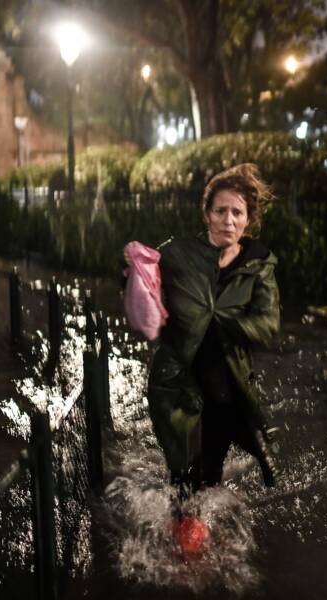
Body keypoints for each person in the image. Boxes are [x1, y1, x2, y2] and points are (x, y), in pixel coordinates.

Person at [124, 163, 281, 497]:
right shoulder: (179, 254)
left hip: (226, 385)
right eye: (220, 210)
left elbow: (267, 323)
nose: (228, 220)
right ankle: (183, 532)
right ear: (207, 214)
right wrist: (134, 271)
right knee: (181, 473)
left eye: (237, 212)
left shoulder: (259, 264)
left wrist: (222, 320)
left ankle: (201, 535)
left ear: (248, 219)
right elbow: (146, 291)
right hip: (178, 383)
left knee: (209, 474)